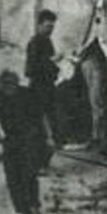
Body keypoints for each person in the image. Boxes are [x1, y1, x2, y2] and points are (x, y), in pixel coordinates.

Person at [0, 69, 46, 214]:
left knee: (29, 173)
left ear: (16, 83)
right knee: (12, 176)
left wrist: (46, 138)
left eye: (11, 84)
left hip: (28, 139)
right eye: (5, 85)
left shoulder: (27, 94)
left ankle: (35, 207)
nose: (9, 88)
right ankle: (21, 209)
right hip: (8, 140)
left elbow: (40, 118)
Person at [24, 9, 60, 151]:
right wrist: (51, 62)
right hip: (38, 88)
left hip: (48, 87)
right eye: (47, 27)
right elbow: (30, 70)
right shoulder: (35, 43)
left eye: (52, 27)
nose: (50, 30)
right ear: (39, 25)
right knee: (39, 122)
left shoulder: (47, 41)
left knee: (48, 119)